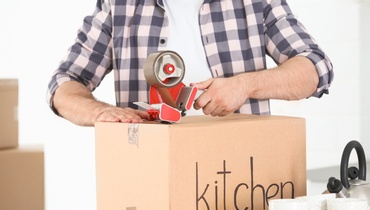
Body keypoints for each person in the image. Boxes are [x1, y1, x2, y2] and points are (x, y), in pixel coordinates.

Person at [47, 0, 334, 126]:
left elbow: (316, 68)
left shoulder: (254, 2)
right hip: (147, 175)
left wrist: (246, 86)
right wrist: (102, 113)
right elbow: (64, 83)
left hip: (235, 184)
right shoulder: (120, 5)